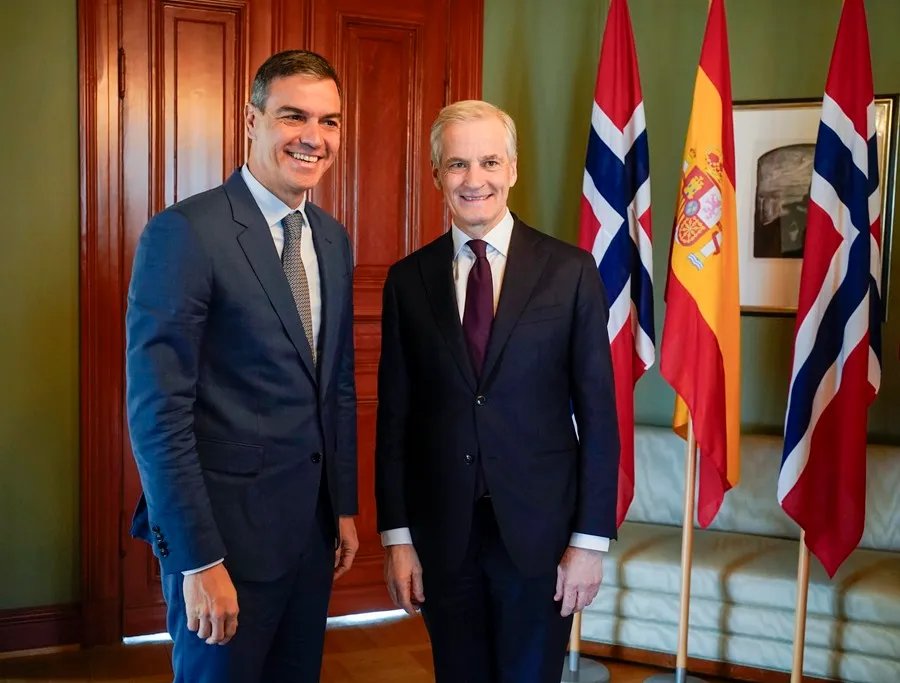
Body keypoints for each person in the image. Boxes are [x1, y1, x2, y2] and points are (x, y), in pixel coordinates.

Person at [126, 50, 359, 682]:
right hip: (223, 547)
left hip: (310, 538)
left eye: (329, 121)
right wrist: (197, 562)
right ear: (250, 119)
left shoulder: (334, 239)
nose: (313, 137)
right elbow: (157, 414)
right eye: (293, 116)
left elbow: (335, 385)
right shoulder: (185, 233)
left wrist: (342, 508)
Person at [375, 99, 620, 682]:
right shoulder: (408, 281)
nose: (474, 179)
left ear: (512, 169)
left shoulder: (571, 271)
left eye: (489, 162)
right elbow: (394, 421)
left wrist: (589, 542)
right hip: (442, 538)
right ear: (436, 175)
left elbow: (600, 416)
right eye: (457, 165)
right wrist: (398, 538)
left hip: (540, 538)